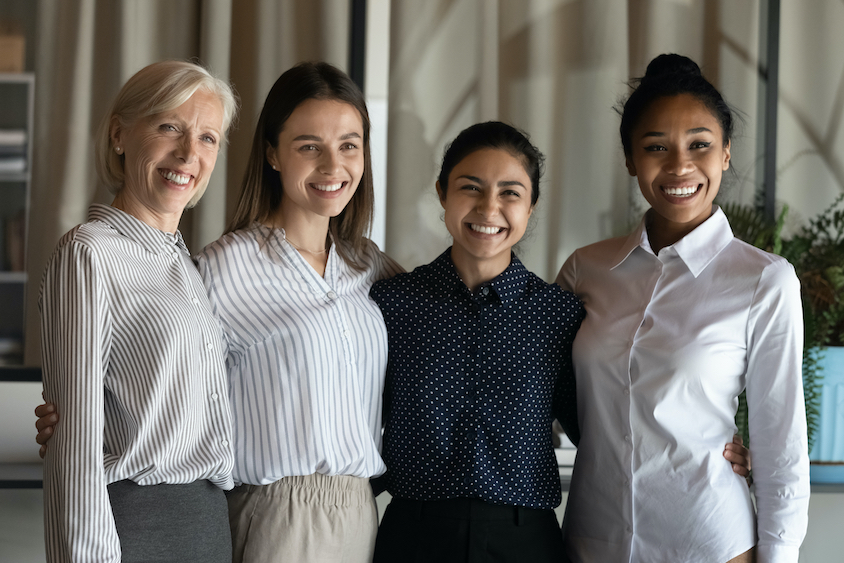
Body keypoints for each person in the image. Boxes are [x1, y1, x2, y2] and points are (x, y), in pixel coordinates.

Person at [555, 54, 810, 563]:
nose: (678, 166)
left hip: (709, 542)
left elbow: (781, 441)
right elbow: (534, 385)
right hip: (593, 540)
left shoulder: (764, 280)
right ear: (630, 159)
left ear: (726, 153)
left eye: (700, 144)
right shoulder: (586, 270)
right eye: (656, 147)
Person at [193, 62, 402, 563]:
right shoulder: (222, 268)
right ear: (272, 153)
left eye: (349, 145)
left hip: (361, 512)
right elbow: (164, 384)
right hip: (278, 516)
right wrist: (76, 417)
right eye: (309, 146)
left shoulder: (370, 266)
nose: (333, 165)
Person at [39, 60, 239, 562]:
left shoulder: (187, 266)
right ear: (119, 134)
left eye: (208, 138)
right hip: (137, 526)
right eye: (169, 126)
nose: (189, 153)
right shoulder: (89, 254)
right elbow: (74, 446)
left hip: (208, 524)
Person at [369, 121, 584, 562]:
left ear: (531, 206)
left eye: (510, 193)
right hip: (413, 536)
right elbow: (355, 422)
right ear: (442, 193)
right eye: (471, 187)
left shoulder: (557, 315)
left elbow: (599, 431)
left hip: (525, 541)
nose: (489, 208)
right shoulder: (393, 305)